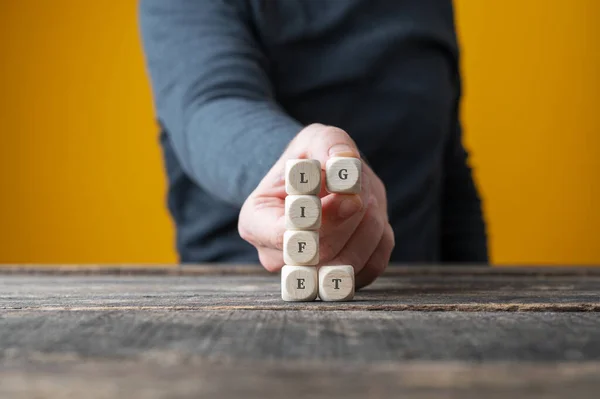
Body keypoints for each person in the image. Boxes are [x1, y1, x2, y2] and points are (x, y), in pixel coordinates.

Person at [139, 0, 488, 288]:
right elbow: (210, 105)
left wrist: (479, 292)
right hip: (242, 293)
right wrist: (304, 163)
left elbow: (447, 164)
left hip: (423, 301)